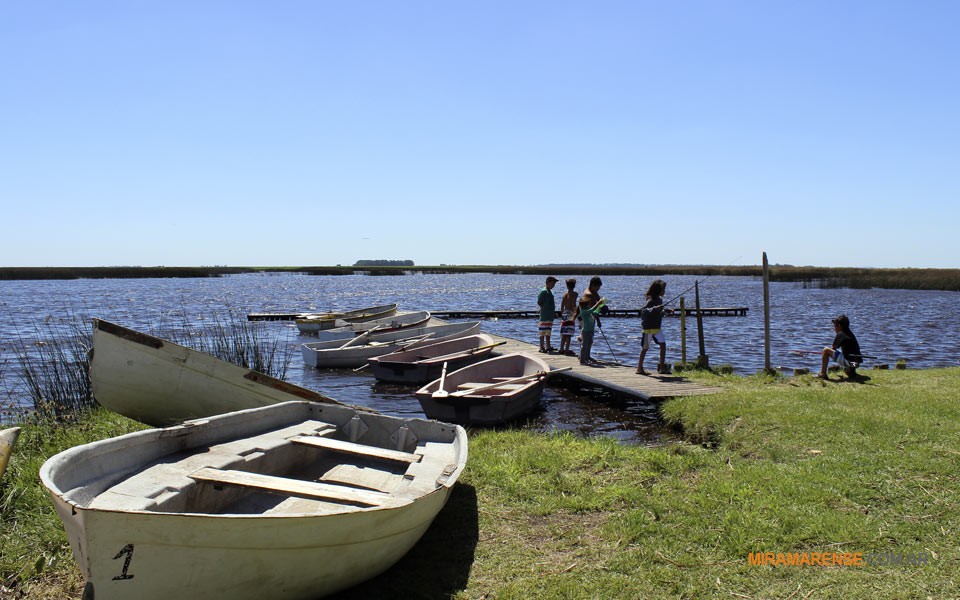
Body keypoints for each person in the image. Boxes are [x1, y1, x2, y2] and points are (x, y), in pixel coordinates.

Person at [636, 279, 672, 375]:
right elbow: (643, 311)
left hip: (657, 328)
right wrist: (656, 308)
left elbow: (659, 312)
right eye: (663, 289)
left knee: (663, 345)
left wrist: (666, 311)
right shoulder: (650, 300)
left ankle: (662, 368)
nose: (664, 291)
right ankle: (639, 368)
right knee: (645, 348)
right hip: (648, 328)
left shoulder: (660, 300)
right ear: (658, 290)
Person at [817, 314, 862, 379]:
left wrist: (824, 353)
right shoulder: (850, 333)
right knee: (846, 357)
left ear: (839, 326)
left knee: (826, 350)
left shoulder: (841, 334)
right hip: (856, 364)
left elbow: (833, 348)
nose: (834, 328)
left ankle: (823, 374)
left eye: (835, 326)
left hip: (850, 363)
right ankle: (851, 373)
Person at [576, 295, 607, 366]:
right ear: (585, 305)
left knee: (589, 344)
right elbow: (592, 309)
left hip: (590, 331)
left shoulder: (588, 311)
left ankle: (585, 358)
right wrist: (598, 303)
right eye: (588, 305)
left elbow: (594, 312)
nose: (589, 306)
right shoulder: (583, 312)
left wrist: (600, 307)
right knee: (584, 345)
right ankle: (582, 360)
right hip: (586, 331)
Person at [537, 276, 559, 353]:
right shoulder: (543, 291)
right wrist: (542, 308)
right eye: (552, 283)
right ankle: (541, 346)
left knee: (548, 332)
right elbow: (539, 302)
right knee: (542, 331)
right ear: (547, 283)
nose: (553, 285)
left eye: (554, 284)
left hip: (550, 315)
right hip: (544, 315)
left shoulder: (551, 292)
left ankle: (548, 346)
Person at [558, 278, 578, 357]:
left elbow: (562, 306)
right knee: (569, 334)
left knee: (563, 333)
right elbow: (573, 304)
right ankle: (567, 350)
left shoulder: (564, 294)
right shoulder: (575, 294)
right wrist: (576, 312)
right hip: (570, 314)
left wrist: (562, 314)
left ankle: (561, 348)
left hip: (564, 314)